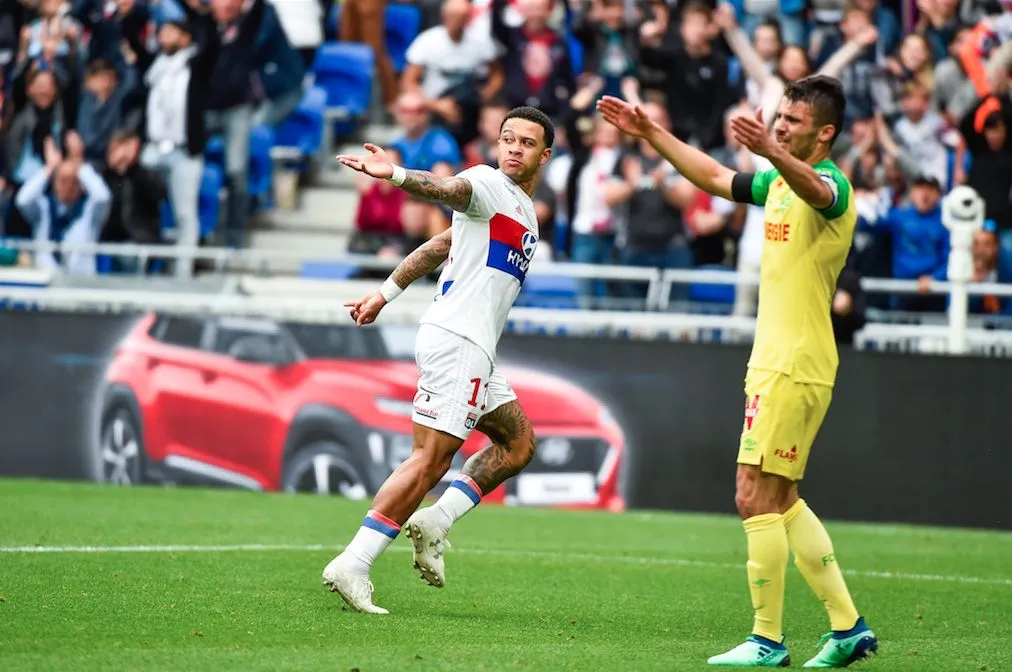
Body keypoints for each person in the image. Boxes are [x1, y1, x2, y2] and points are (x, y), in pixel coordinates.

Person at [598, 76, 879, 668]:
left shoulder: (831, 185)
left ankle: (768, 639)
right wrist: (651, 132)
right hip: (780, 361)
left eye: (793, 122)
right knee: (781, 498)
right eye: (779, 117)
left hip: (794, 362)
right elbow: (712, 177)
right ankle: (848, 627)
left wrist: (772, 152)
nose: (780, 126)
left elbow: (819, 193)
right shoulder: (777, 179)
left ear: (825, 133)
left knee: (752, 495)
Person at [321, 106, 554, 615]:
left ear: (545, 154)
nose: (514, 148)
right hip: (458, 342)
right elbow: (445, 188)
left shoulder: (523, 210)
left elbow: (438, 247)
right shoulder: (487, 183)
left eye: (526, 142)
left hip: (475, 349)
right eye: (507, 138)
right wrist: (399, 175)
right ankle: (354, 562)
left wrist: (385, 293)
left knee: (518, 444)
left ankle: (437, 519)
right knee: (429, 460)